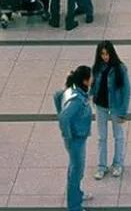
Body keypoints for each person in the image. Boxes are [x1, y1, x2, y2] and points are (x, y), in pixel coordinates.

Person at [54, 65, 94, 211]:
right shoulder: (77, 100)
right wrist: (68, 134)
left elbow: (57, 95)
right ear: (85, 81)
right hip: (76, 139)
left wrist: (60, 109)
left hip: (75, 138)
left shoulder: (72, 90)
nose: (93, 79)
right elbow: (64, 116)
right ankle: (74, 206)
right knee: (77, 170)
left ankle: (77, 193)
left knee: (75, 168)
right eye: (91, 77)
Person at [91, 41, 131, 179]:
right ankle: (102, 166)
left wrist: (123, 112)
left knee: (118, 136)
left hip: (115, 106)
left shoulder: (120, 68)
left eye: (107, 53)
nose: (105, 57)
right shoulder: (97, 68)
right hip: (100, 105)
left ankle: (118, 164)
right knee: (101, 137)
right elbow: (92, 85)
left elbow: (126, 91)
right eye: (102, 54)